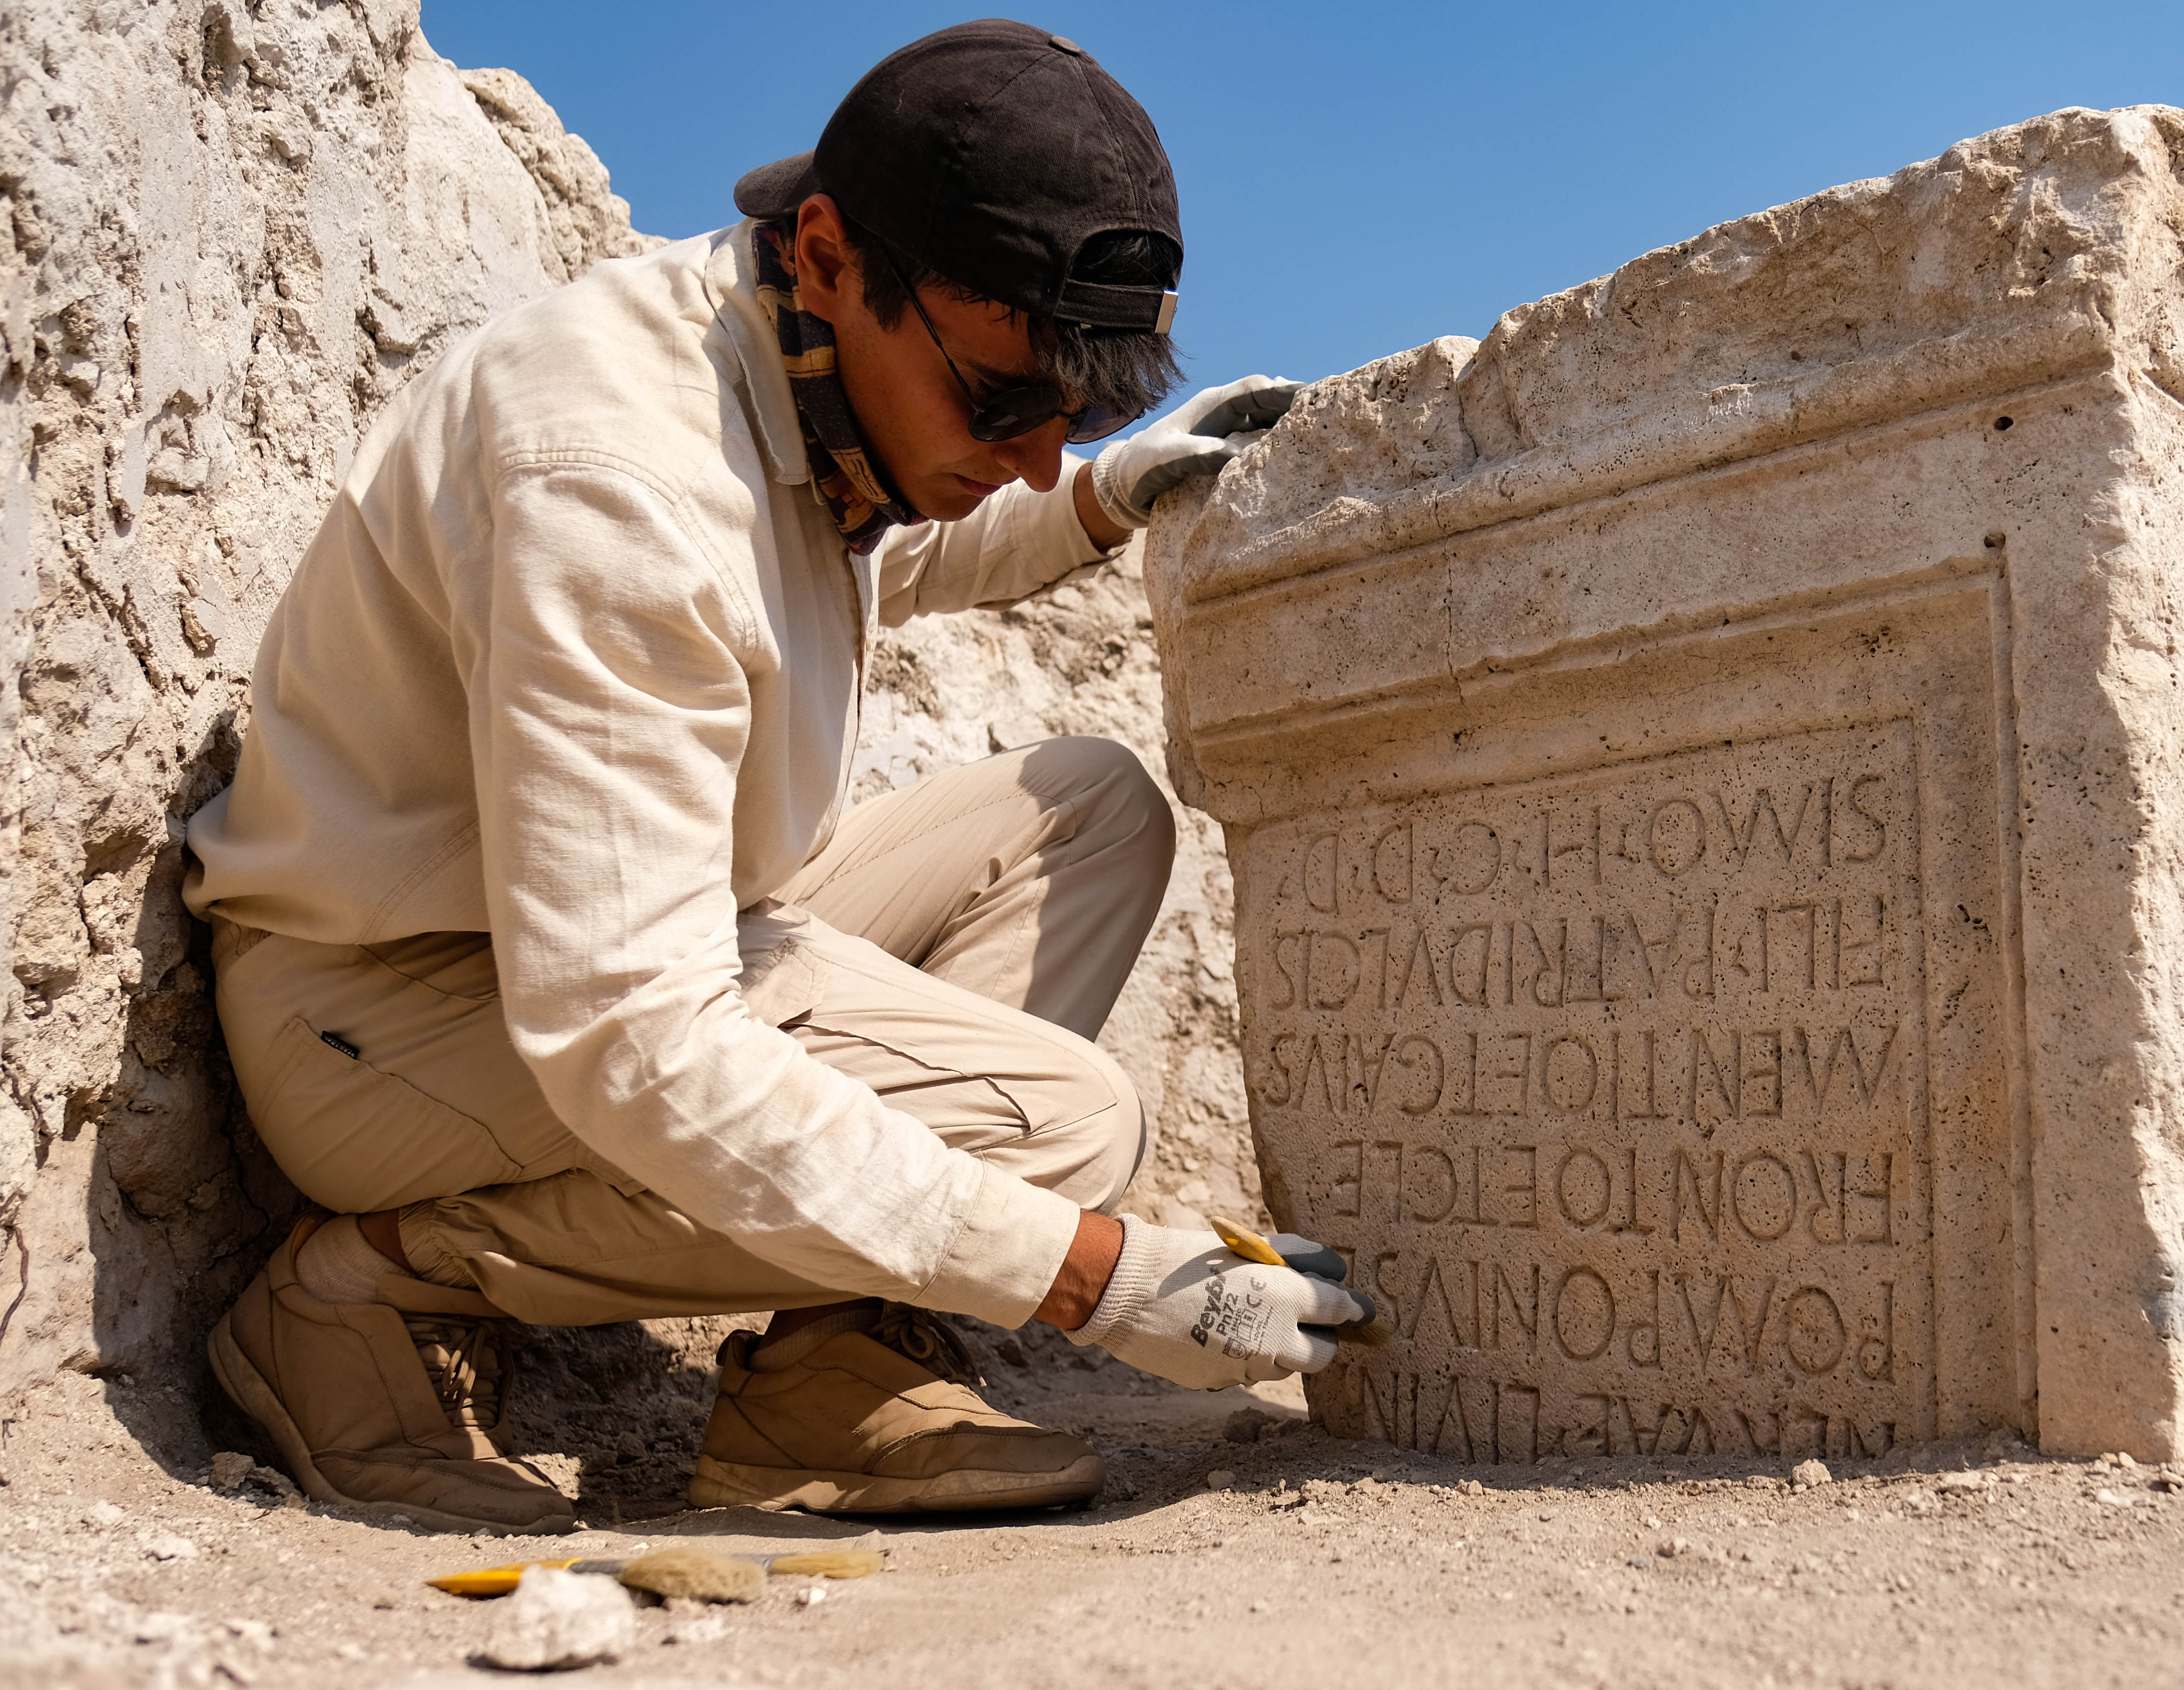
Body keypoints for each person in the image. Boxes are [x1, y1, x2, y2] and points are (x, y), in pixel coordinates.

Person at [182, 20, 1365, 1535]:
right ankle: (347, 1288)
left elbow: (892, 523)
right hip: (386, 1009)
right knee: (1062, 1130)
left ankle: (829, 1377)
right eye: (1008, 404)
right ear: (824, 253)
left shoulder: (798, 364)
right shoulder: (617, 478)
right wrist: (1093, 1279)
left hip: (577, 945)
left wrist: (1107, 494)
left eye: (1085, 414)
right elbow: (628, 1032)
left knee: (1089, 806)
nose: (1030, 455)